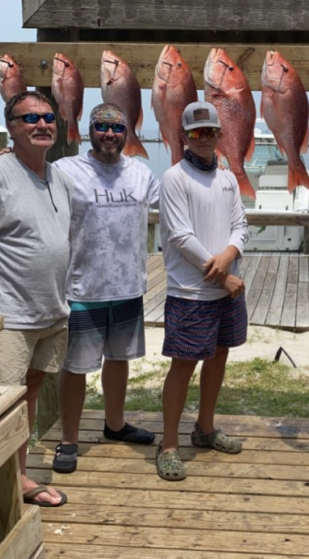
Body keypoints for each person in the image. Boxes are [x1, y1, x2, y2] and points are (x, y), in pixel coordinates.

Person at [51, 104, 160, 474]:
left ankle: (115, 425)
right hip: (83, 289)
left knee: (119, 360)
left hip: (129, 287)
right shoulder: (66, 170)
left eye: (116, 127)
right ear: (88, 130)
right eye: (101, 126)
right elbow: (31, 180)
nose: (109, 133)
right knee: (76, 366)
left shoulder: (142, 173)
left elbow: (176, 202)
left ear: (127, 132)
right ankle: (69, 439)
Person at [156, 101, 249, 481]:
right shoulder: (174, 178)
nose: (204, 139)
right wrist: (222, 275)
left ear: (220, 135)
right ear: (184, 137)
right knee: (183, 366)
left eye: (210, 132)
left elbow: (240, 224)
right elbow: (180, 236)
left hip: (226, 290)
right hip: (191, 292)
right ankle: (169, 444)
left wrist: (230, 253)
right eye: (196, 133)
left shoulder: (227, 177)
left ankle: (205, 428)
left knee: (219, 356)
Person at [0, 91, 73, 506]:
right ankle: (7, 489)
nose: (42, 124)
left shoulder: (58, 176)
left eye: (48, 117)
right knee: (4, 401)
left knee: (29, 394)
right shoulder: (2, 172)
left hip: (52, 311)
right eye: (30, 119)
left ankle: (20, 476)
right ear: (12, 127)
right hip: (11, 314)